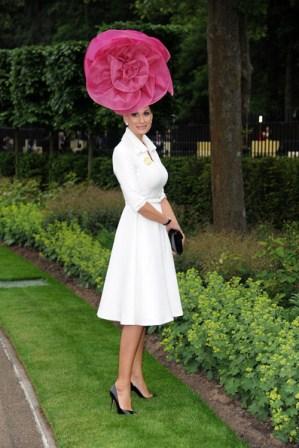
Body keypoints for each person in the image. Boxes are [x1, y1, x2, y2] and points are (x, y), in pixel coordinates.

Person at [84, 29, 185, 415]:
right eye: (135, 113)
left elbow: (159, 191)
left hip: (155, 232)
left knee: (146, 311)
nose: (142, 118)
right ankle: (121, 384)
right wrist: (164, 222)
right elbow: (138, 201)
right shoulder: (122, 152)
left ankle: (138, 376)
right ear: (121, 115)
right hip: (140, 235)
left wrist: (174, 223)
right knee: (136, 316)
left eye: (146, 111)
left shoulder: (148, 147)